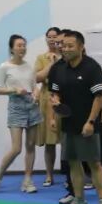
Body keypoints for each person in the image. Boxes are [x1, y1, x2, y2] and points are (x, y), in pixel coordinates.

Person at [46, 30, 102, 204]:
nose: (65, 49)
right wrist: (54, 112)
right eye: (63, 45)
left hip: (88, 125)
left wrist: (90, 122)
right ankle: (80, 201)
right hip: (68, 124)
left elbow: (99, 96)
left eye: (70, 46)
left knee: (94, 163)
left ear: (81, 47)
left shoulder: (91, 67)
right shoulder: (58, 69)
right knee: (73, 163)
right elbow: (54, 93)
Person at [0, 35, 42, 194]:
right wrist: (14, 90)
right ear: (12, 48)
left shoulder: (29, 66)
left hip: (32, 105)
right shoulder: (4, 67)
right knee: (16, 148)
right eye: (19, 45)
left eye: (24, 45)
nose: (22, 48)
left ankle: (27, 180)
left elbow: (34, 85)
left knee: (30, 145)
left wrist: (36, 92)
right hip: (16, 106)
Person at [34, 27, 63, 187]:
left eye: (55, 36)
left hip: (65, 99)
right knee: (49, 141)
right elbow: (37, 78)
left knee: (67, 140)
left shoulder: (66, 55)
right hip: (47, 99)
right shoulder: (41, 58)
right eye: (49, 37)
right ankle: (49, 175)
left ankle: (70, 175)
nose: (52, 39)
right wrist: (51, 63)